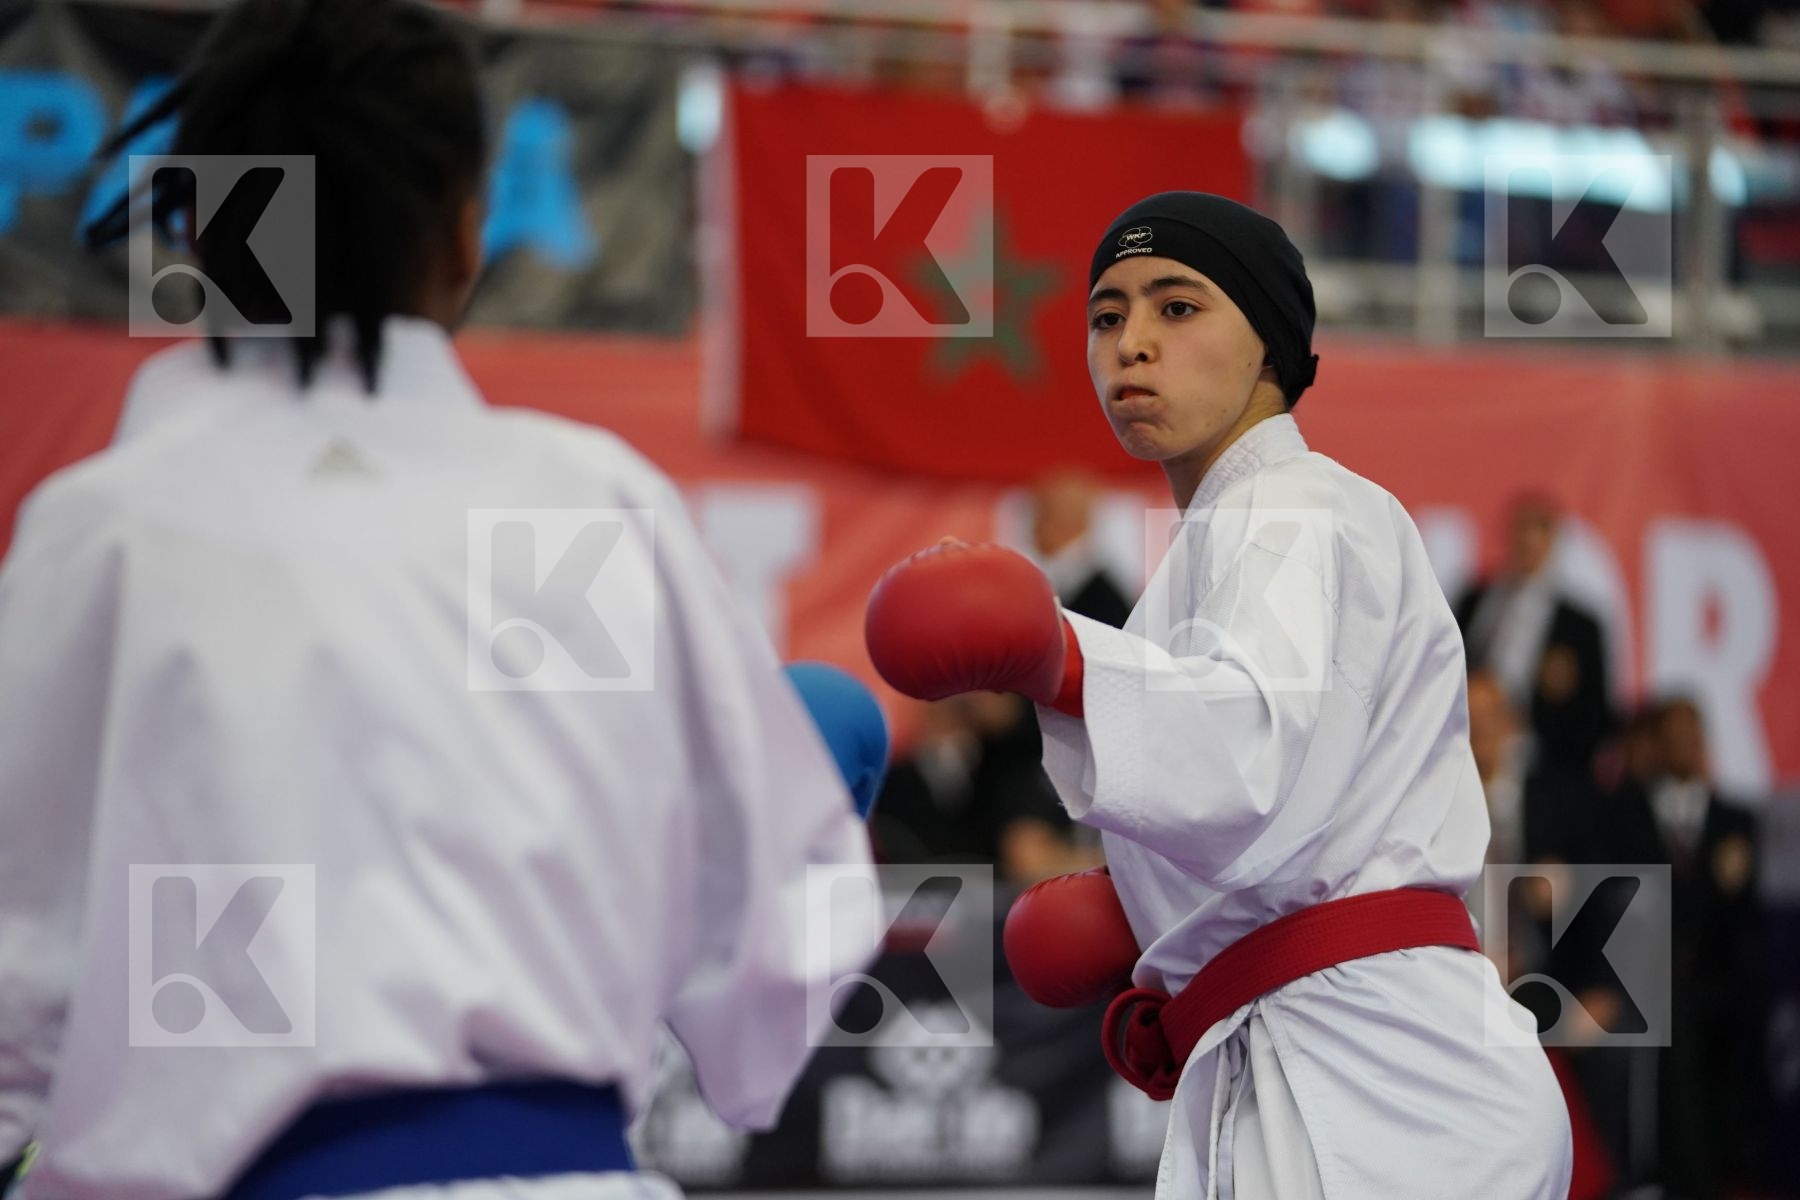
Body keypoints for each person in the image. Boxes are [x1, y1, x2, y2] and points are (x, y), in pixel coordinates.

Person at [0, 1, 878, 1197]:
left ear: (196, 233)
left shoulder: (105, 531)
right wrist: (793, 799)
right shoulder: (594, 504)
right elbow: (776, 967)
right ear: (468, 235)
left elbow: (16, 991)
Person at [865, 191, 1571, 1198]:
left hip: (1379, 1083)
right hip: (1357, 1063)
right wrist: (1148, 910)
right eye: (1107, 317)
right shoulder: (1223, 545)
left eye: (1177, 307)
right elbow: (1296, 801)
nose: (1132, 343)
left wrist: (1054, 656)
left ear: (1268, 345)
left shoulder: (1290, 506)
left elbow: (1247, 753)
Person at [1455, 492, 1614, 779]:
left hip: (1544, 768)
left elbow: (1597, 711)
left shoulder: (1580, 626)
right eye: (1521, 527)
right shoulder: (1474, 601)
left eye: (1539, 527)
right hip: (1468, 748)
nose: (1528, 538)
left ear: (1554, 538)